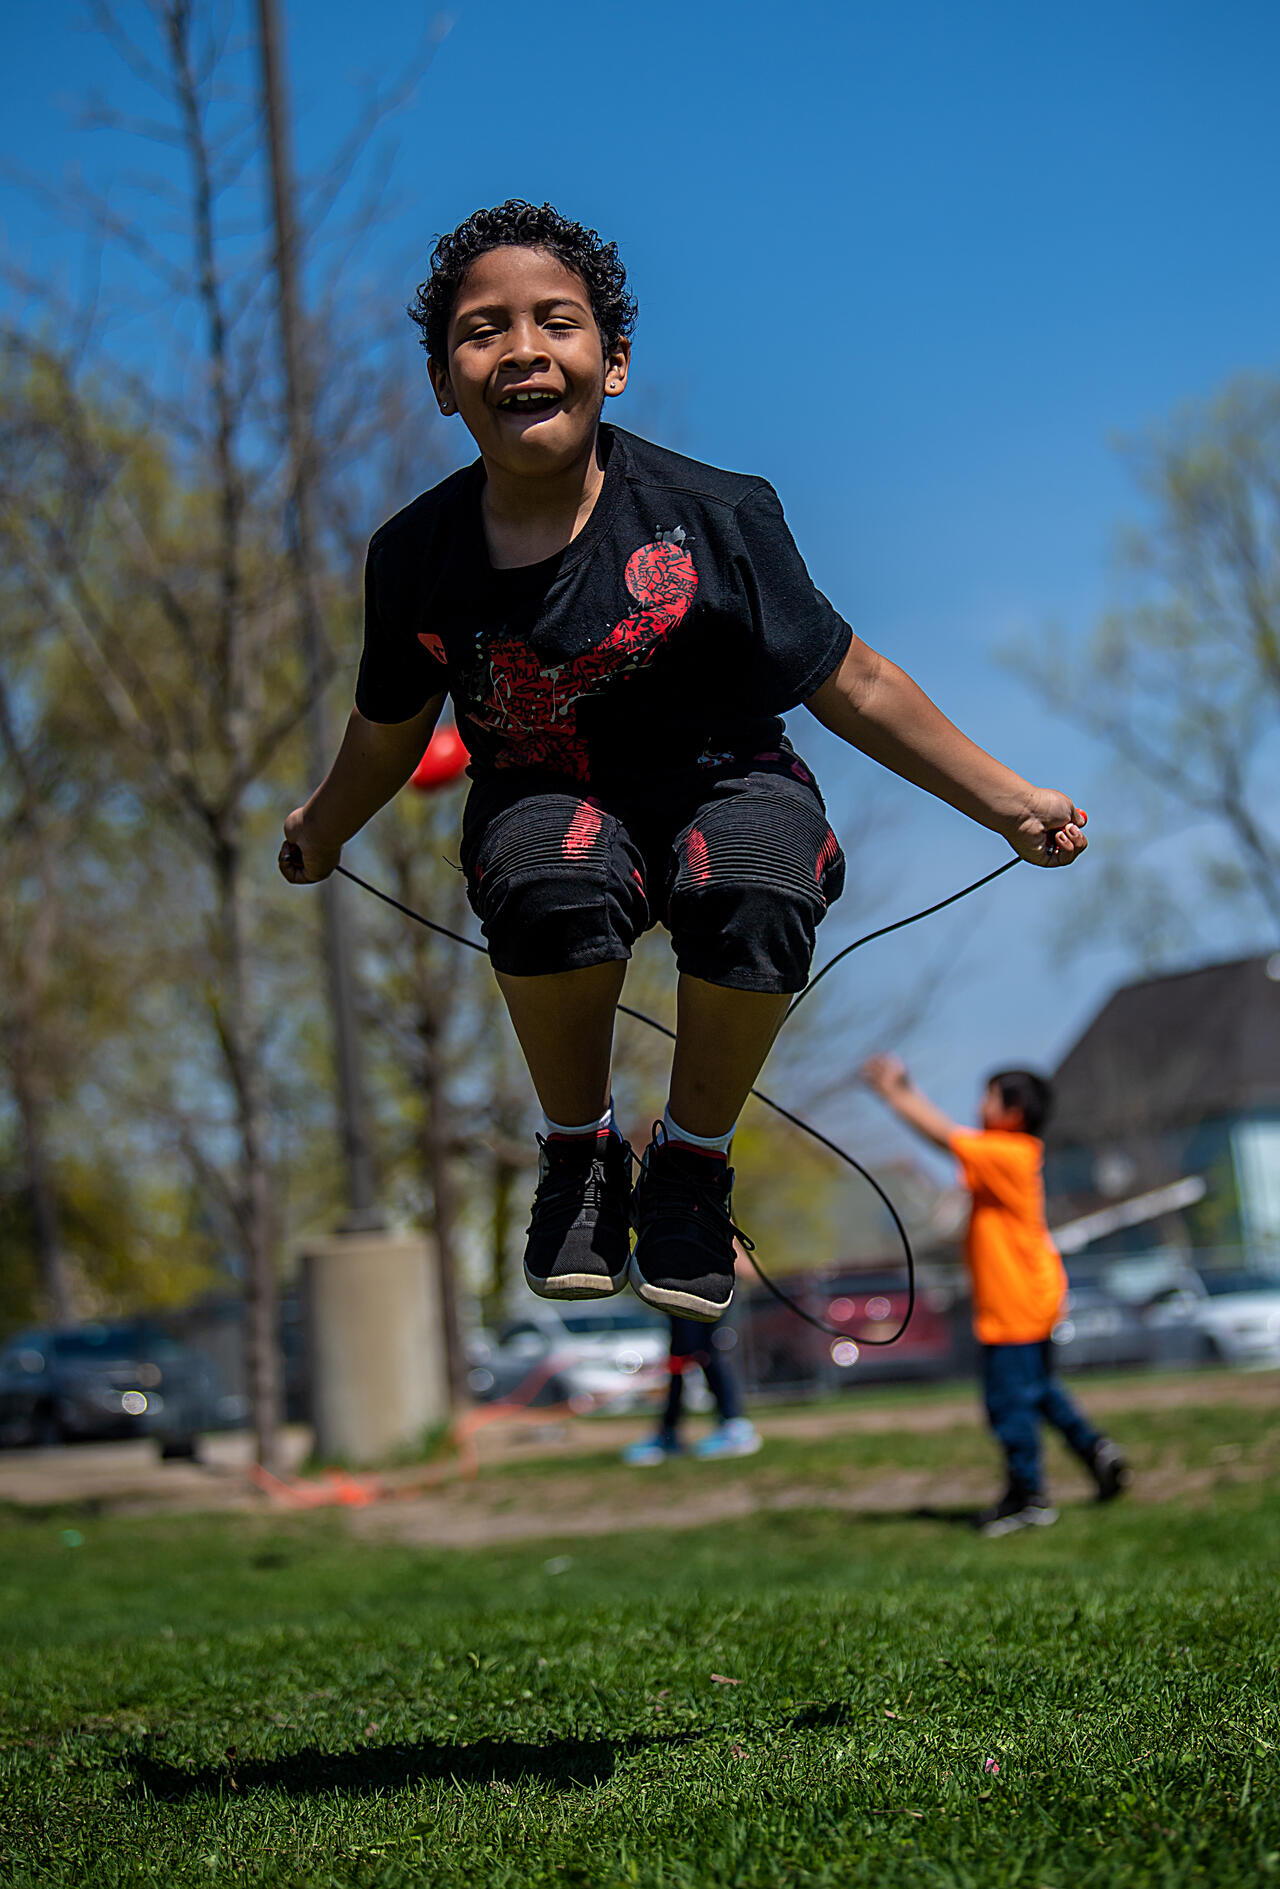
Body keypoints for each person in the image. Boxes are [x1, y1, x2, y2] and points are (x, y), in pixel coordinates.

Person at [279, 198, 1088, 1329]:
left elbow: (849, 679)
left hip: (726, 776)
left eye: (555, 323)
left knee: (751, 872)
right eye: (481, 330)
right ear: (440, 380)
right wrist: (320, 825)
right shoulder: (416, 557)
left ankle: (692, 1166)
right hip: (549, 792)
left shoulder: (717, 517)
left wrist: (1008, 802)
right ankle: (578, 1154)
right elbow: (388, 726)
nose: (519, 349)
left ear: (610, 363)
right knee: (550, 868)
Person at [860, 1057, 1129, 1534]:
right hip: (1031, 1296)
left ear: (1015, 1111)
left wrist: (894, 1093)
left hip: (1016, 1302)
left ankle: (1029, 1497)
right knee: (1040, 1390)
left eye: (989, 1096)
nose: (978, 1104)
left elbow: (944, 1135)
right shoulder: (1007, 1154)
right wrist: (905, 1088)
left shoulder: (1009, 1152)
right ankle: (1096, 1452)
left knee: (1009, 1401)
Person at [622, 1316, 761, 1464]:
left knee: (704, 1350)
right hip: (680, 1297)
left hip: (703, 1295)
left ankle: (734, 1427)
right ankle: (669, 1434)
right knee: (680, 1353)